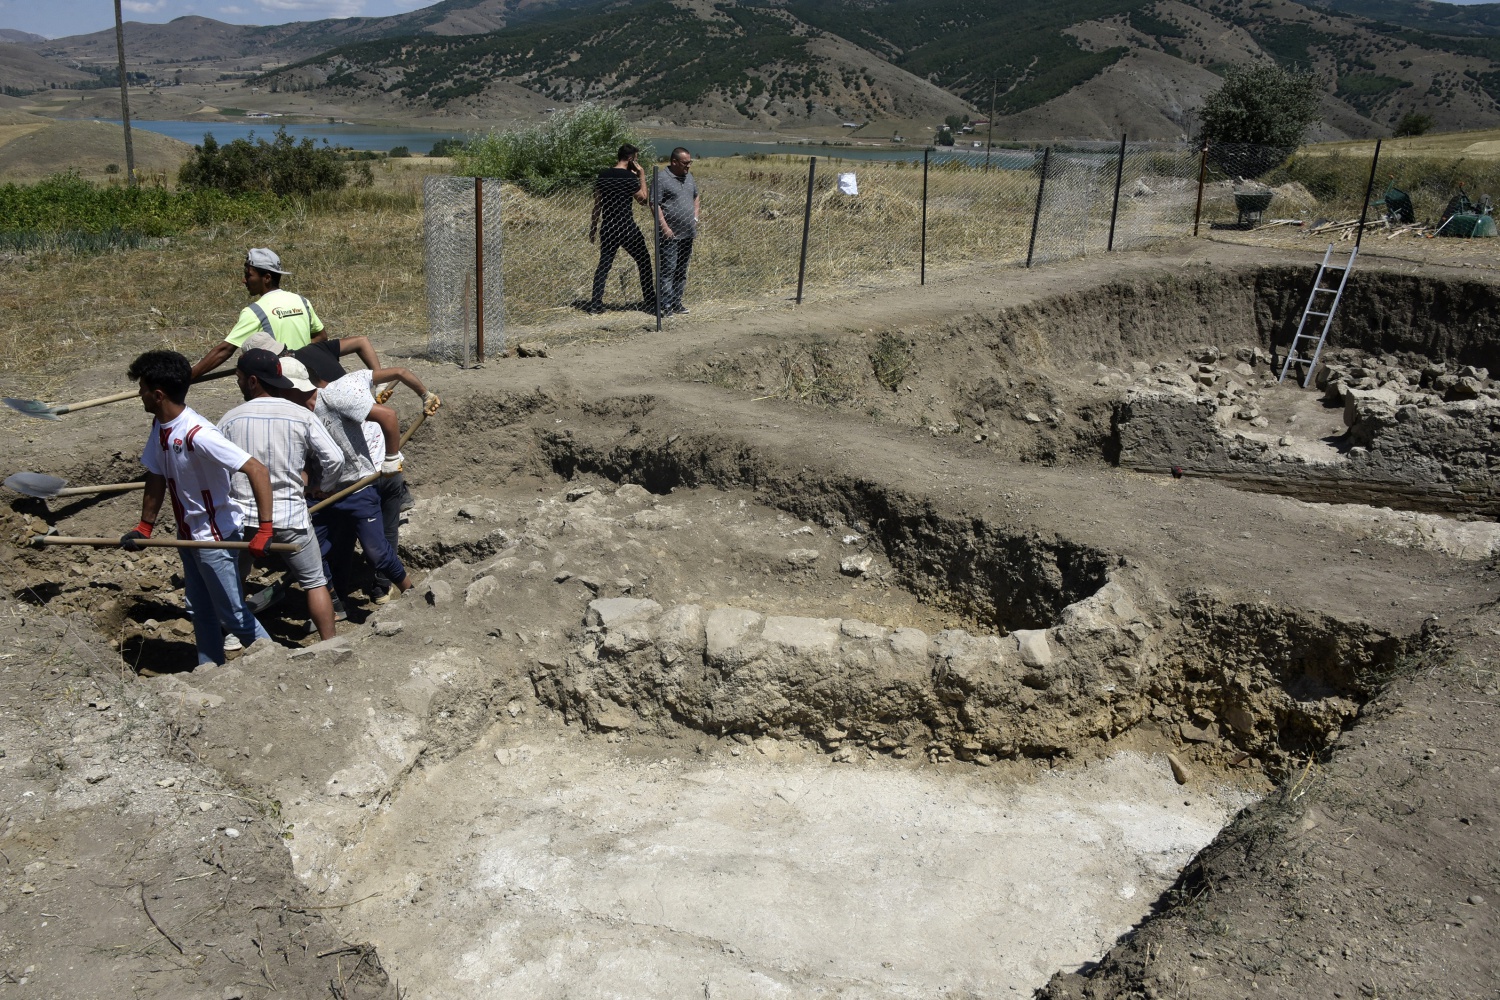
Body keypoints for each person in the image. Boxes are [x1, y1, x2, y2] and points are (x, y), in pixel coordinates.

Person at [120, 350, 276, 667]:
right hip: (189, 535)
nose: (139, 393)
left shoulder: (198, 434)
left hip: (215, 537)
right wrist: (145, 526)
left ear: (158, 394)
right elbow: (156, 473)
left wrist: (265, 529)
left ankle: (279, 666)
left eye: (143, 388)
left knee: (233, 615)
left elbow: (257, 470)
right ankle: (208, 669)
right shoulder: (161, 425)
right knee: (199, 610)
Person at [293, 345, 441, 605]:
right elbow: (400, 372)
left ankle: (377, 587)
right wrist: (425, 394)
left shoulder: (328, 400)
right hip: (376, 472)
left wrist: (392, 458)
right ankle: (379, 588)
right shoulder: (355, 378)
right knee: (385, 531)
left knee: (364, 537)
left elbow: (386, 416)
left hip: (371, 474)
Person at [218, 350, 347, 641]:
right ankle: (331, 644)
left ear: (252, 381)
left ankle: (232, 640)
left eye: (239, 379)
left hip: (243, 519)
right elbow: (335, 459)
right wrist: (322, 485)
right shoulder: (300, 415)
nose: (238, 384)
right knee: (314, 582)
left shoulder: (229, 419)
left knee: (234, 580)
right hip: (290, 517)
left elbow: (215, 468)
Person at [191, 248, 327, 378]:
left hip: (279, 383)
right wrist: (298, 355)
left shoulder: (255, 312)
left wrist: (188, 376)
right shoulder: (301, 301)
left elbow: (224, 350)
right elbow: (321, 337)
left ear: (267, 278)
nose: (244, 280)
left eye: (249, 275)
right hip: (305, 378)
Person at [588, 143, 656, 315]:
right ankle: (649, 300)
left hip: (608, 226)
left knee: (604, 264)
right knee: (644, 261)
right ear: (631, 158)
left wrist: (593, 227)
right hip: (626, 227)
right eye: (637, 159)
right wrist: (641, 176)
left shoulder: (603, 175)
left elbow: (597, 205)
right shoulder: (629, 177)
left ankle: (595, 304)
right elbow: (643, 200)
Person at [651, 147, 699, 315]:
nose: (688, 166)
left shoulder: (689, 177)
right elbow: (654, 203)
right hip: (669, 234)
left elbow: (696, 195)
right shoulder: (662, 178)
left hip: (688, 232)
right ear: (674, 162)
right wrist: (664, 227)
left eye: (690, 162)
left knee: (681, 269)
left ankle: (677, 302)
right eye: (686, 163)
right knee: (668, 270)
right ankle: (664, 305)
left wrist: (695, 217)